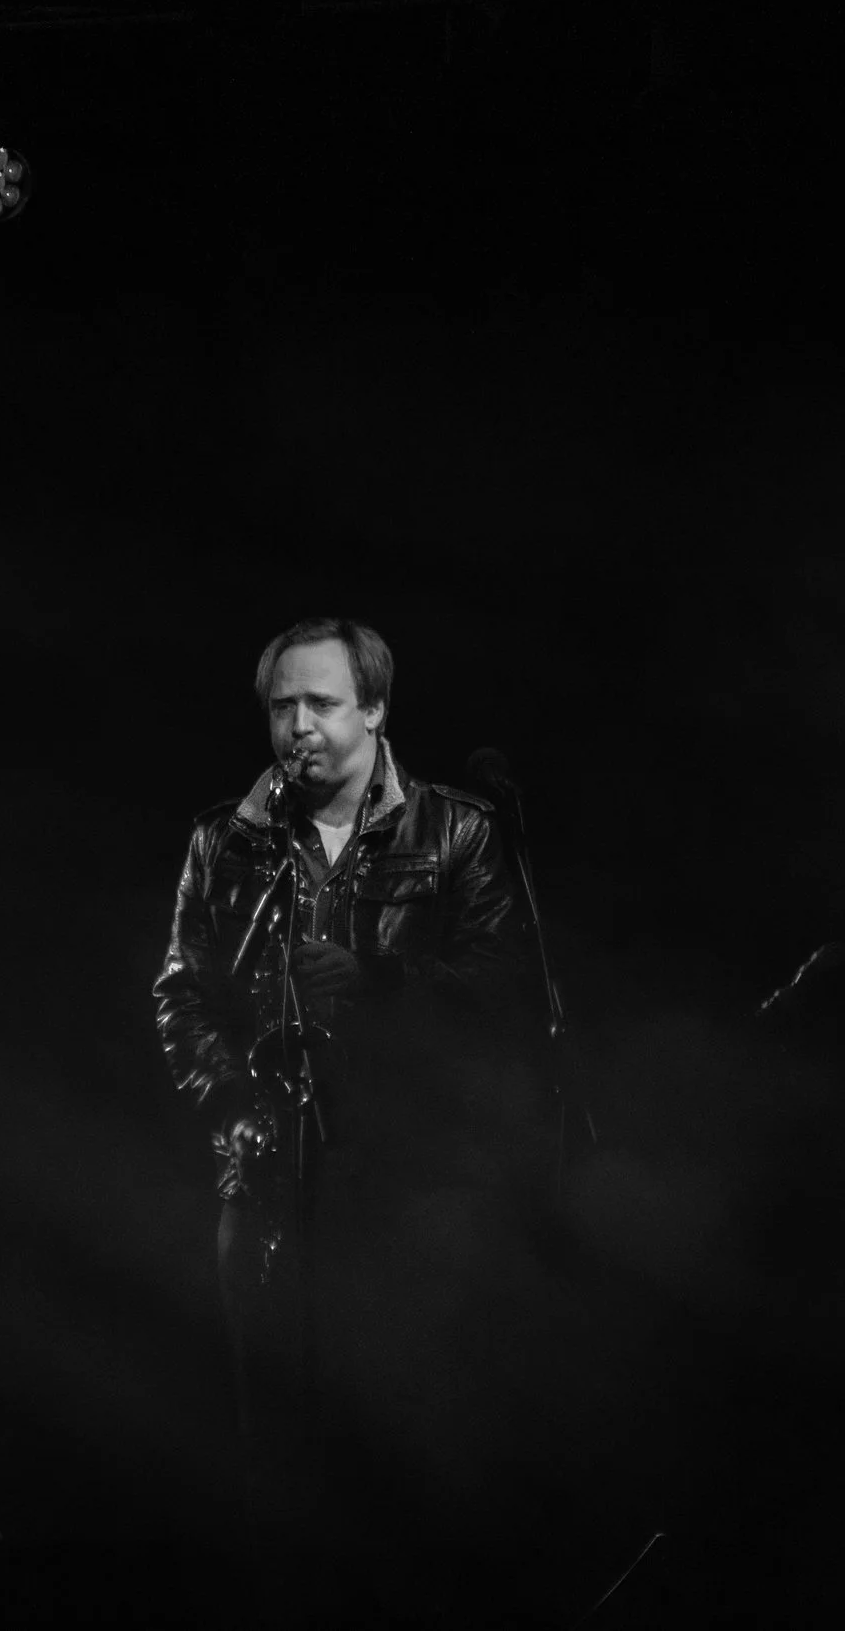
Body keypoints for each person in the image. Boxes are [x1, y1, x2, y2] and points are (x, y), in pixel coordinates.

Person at [152, 617, 548, 1613]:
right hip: (267, 1170)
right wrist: (228, 1099)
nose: (297, 725)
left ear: (372, 709)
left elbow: (503, 990)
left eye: (320, 703)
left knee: (404, 1441)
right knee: (268, 1445)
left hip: (408, 1179)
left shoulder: (456, 829)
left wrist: (379, 979)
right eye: (281, 705)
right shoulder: (224, 839)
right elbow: (178, 990)